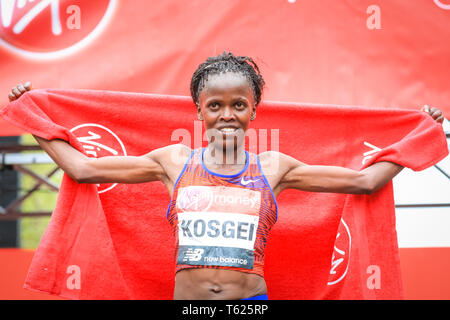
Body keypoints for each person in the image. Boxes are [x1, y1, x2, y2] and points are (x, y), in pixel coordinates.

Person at [7, 52, 445, 300]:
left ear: (254, 110)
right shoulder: (174, 161)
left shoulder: (274, 167)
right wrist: (34, 118)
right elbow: (83, 170)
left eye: (238, 104)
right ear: (199, 110)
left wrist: (417, 137)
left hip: (249, 306)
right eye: (214, 106)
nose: (227, 115)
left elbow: (365, 182)